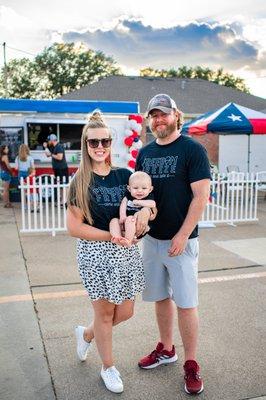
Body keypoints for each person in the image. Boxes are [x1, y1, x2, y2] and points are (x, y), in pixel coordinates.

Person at [66, 111, 150, 394]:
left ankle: (87, 333)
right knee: (104, 314)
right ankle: (108, 368)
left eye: (104, 141)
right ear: (85, 145)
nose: (99, 147)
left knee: (125, 312)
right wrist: (110, 237)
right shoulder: (79, 181)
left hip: (125, 253)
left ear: (111, 142)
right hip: (94, 254)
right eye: (93, 143)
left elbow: (144, 205)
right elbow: (74, 227)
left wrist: (144, 218)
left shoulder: (124, 175)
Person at [136, 94, 211, 395]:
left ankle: (191, 362)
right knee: (160, 298)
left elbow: (200, 196)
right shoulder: (145, 153)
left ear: (176, 116)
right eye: (154, 116)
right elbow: (140, 195)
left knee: (186, 302)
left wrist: (182, 235)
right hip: (152, 241)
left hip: (181, 242)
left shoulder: (193, 150)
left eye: (163, 115)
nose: (159, 120)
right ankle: (166, 349)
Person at [109, 171, 156, 246]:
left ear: (150, 189)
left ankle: (128, 240)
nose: (140, 191)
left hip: (137, 223)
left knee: (130, 219)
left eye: (144, 188)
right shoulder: (128, 196)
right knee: (114, 221)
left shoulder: (148, 197)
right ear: (129, 189)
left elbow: (152, 204)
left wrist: (137, 202)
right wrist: (122, 216)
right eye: (135, 188)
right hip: (125, 220)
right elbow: (123, 205)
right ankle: (117, 237)